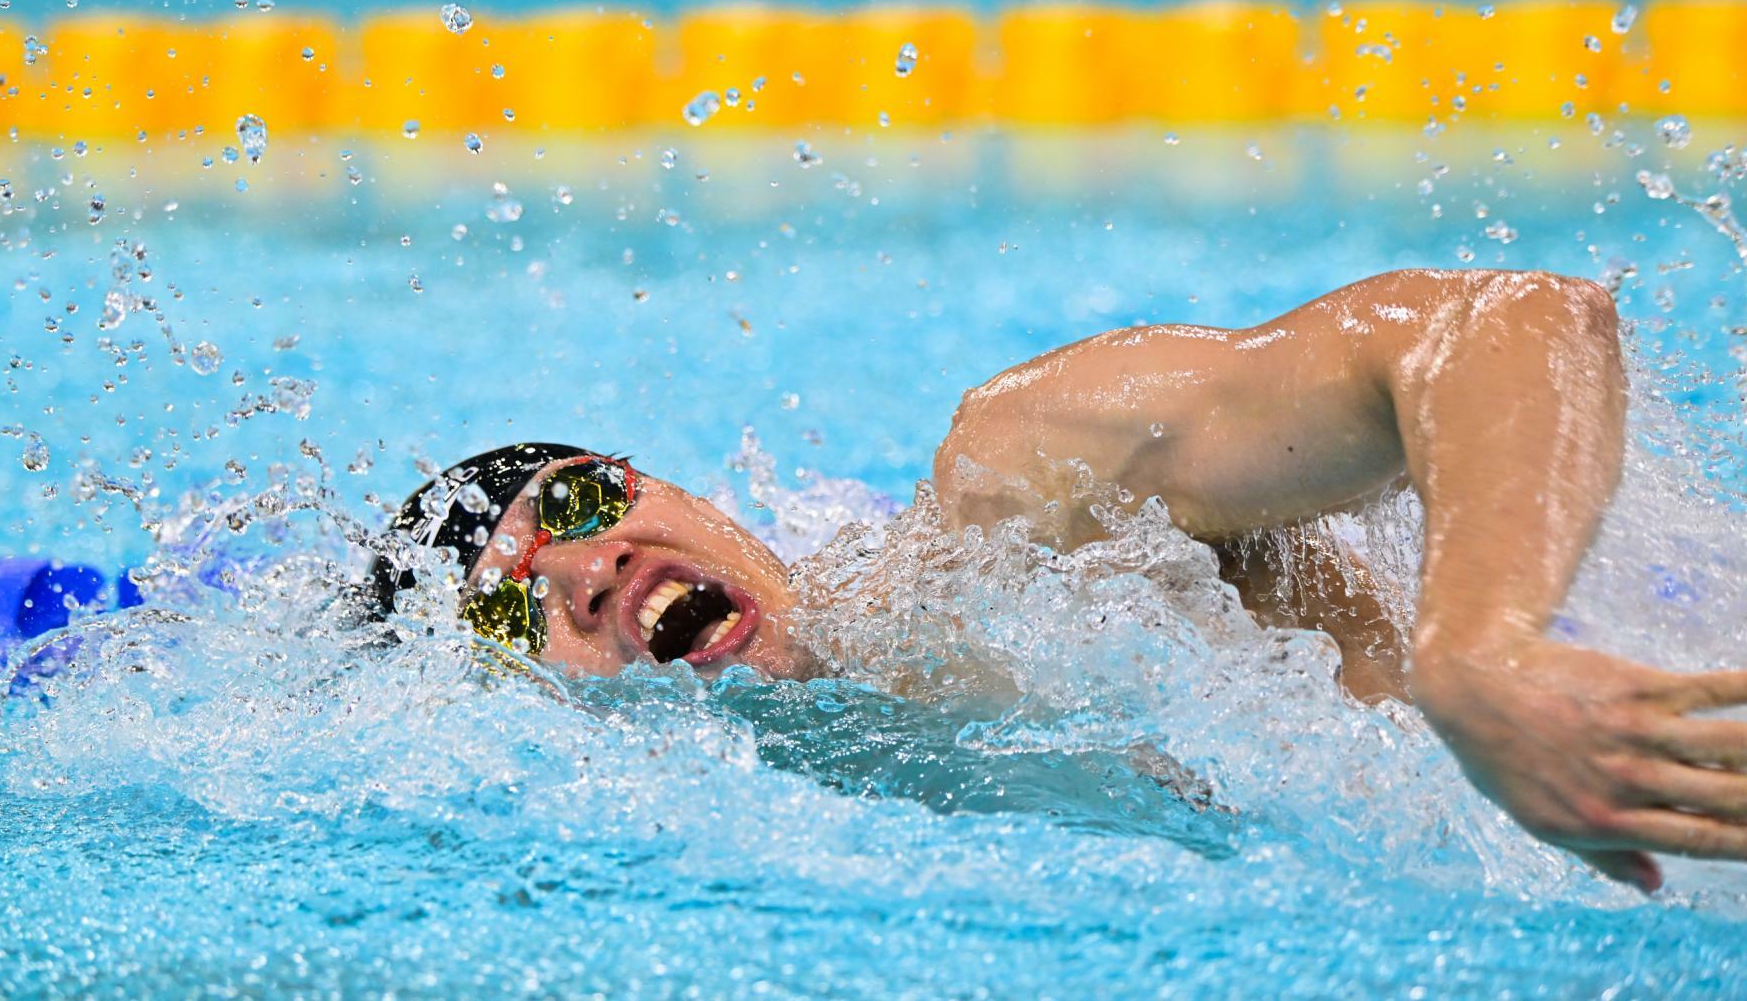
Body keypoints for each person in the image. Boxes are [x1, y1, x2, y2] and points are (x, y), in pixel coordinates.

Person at [370, 268, 1747, 891]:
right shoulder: (758, 855)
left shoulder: (1014, 500)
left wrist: (1482, 650)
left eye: (589, 503)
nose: (595, 568)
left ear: (678, 493)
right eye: (512, 606)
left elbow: (1509, 321)